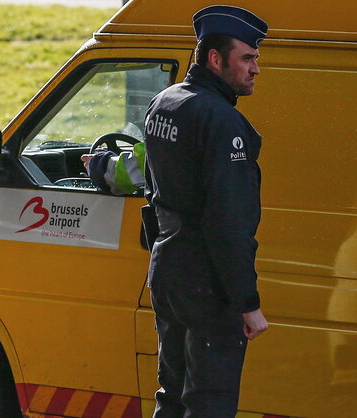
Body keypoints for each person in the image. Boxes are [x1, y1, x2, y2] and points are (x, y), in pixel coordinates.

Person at [143, 6, 270, 417]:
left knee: (172, 395)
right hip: (207, 282)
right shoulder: (223, 121)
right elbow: (228, 222)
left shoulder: (165, 102)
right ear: (215, 59)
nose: (255, 69)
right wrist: (246, 302)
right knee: (209, 404)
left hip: (169, 271)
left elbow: (152, 188)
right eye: (247, 58)